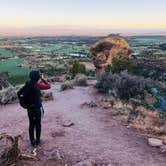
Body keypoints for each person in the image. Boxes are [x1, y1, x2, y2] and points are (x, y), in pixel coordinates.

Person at [27, 70, 51, 146]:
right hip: (37, 108)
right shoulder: (37, 85)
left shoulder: (27, 84)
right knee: (38, 124)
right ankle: (37, 141)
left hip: (29, 108)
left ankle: (32, 141)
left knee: (31, 124)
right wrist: (43, 79)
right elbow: (48, 86)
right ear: (37, 77)